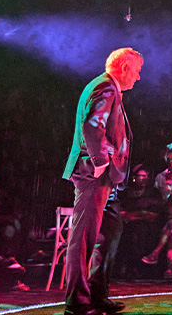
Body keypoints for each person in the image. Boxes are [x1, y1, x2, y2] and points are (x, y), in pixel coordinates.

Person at [61, 47, 142, 315]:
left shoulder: (106, 87)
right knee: (83, 237)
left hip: (106, 177)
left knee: (110, 230)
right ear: (124, 68)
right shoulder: (106, 87)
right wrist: (100, 162)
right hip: (94, 173)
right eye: (137, 71)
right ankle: (77, 302)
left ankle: (96, 294)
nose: (139, 77)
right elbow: (92, 125)